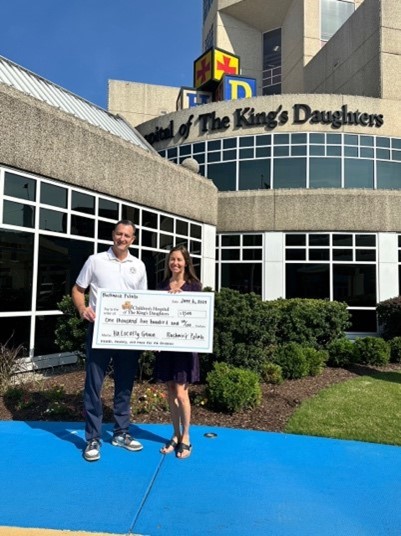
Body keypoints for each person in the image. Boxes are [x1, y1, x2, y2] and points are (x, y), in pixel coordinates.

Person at [72, 219, 147, 462]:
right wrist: (83, 309)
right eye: (119, 234)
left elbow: (143, 302)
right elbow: (77, 289)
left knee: (125, 383)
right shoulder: (96, 260)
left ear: (133, 239)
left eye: (127, 235)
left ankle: (121, 433)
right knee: (94, 384)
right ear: (112, 235)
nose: (122, 239)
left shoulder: (139, 265)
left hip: (128, 335)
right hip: (100, 331)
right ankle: (93, 438)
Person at [155, 245, 202, 459]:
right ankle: (175, 434)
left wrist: (182, 298)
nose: (175, 263)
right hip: (166, 348)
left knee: (182, 394)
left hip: (184, 348)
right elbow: (156, 314)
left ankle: (186, 437)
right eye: (172, 259)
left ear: (186, 263)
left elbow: (198, 316)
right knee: (171, 392)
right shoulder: (163, 285)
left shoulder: (194, 285)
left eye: (179, 260)